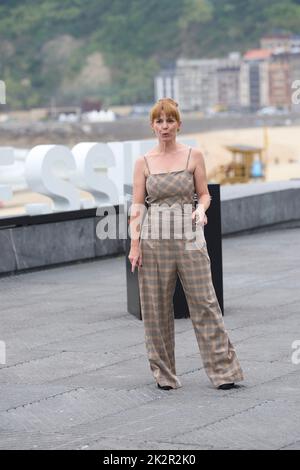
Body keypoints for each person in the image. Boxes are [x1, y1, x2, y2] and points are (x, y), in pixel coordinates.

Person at [128, 98, 244, 391]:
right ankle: (164, 375)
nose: (164, 127)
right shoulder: (143, 162)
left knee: (204, 303)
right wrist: (135, 245)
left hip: (190, 238)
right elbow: (137, 206)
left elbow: (204, 195)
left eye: (170, 121)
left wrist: (201, 209)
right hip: (154, 241)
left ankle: (223, 372)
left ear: (179, 124)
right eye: (159, 121)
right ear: (152, 125)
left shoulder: (194, 155)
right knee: (155, 309)